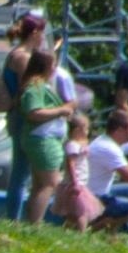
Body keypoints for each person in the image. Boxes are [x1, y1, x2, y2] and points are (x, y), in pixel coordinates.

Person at [0, 10, 47, 220]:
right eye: (42, 33)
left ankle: (21, 216)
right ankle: (14, 218)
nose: (43, 38)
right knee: (21, 172)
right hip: (22, 117)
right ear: (34, 33)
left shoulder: (19, 54)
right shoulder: (22, 57)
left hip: (19, 116)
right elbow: (29, 89)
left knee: (25, 171)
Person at [17, 50, 73, 224]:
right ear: (46, 66)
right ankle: (36, 223)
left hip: (44, 139)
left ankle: (31, 222)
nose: (55, 68)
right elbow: (34, 112)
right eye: (53, 64)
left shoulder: (41, 86)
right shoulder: (34, 87)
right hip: (42, 140)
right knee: (50, 183)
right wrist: (61, 110)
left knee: (39, 185)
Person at [52, 114, 105, 232]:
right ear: (77, 130)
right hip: (76, 183)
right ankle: (81, 232)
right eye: (86, 129)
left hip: (80, 182)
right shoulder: (72, 145)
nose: (88, 132)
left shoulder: (77, 144)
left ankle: (67, 230)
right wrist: (75, 181)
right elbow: (71, 164)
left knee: (73, 212)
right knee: (83, 211)